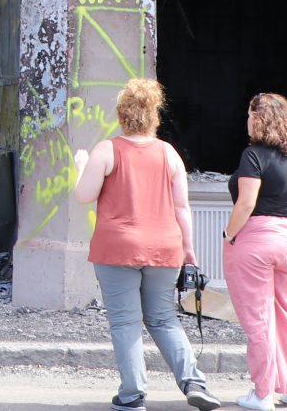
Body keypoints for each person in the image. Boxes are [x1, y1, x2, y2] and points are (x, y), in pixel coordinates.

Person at [72, 78, 221, 411]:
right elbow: (182, 207)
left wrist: (81, 167)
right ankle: (194, 383)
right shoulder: (169, 154)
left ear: (121, 115)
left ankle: (132, 395)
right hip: (165, 248)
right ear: (154, 115)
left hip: (118, 249)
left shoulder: (107, 150)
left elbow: (84, 195)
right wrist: (189, 251)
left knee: (126, 322)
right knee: (164, 319)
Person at [221, 93, 287, 411]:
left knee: (258, 318)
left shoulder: (252, 155)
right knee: (284, 313)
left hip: (255, 239)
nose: (247, 121)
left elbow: (246, 202)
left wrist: (229, 234)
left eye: (250, 115)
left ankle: (262, 393)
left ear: (260, 120)